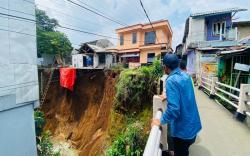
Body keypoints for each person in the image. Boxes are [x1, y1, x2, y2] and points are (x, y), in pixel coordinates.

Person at [152, 54, 202, 156]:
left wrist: (160, 121)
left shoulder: (171, 80)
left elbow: (174, 109)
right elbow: (183, 95)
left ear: (165, 67)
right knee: (185, 152)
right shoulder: (186, 76)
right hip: (193, 128)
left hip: (182, 132)